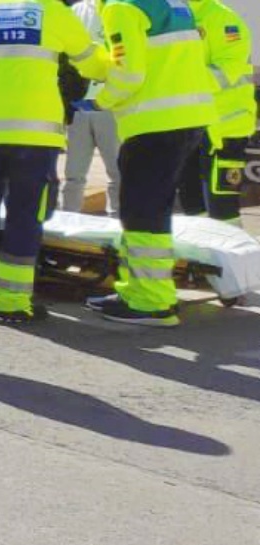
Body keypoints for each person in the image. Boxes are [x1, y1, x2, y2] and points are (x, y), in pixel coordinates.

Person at [0, 0, 108, 325]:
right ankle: (10, 303)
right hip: (35, 133)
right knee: (25, 216)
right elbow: (91, 64)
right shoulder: (53, 10)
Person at [86, 0, 216, 326]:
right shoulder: (171, 3)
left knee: (142, 213)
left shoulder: (121, 7)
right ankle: (140, 292)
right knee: (152, 211)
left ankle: (150, 302)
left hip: (155, 123)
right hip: (188, 118)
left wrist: (99, 101)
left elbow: (129, 74)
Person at [175, 0, 256, 225]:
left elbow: (229, 67)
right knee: (192, 205)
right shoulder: (172, 16)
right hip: (187, 124)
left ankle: (236, 257)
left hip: (224, 129)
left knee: (222, 209)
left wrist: (178, 82)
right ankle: (203, 256)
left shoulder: (223, 18)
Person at [61, 0, 122, 216]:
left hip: (111, 106)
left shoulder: (123, 8)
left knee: (117, 173)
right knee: (74, 175)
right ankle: (68, 220)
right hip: (80, 108)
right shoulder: (77, 11)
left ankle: (117, 222)